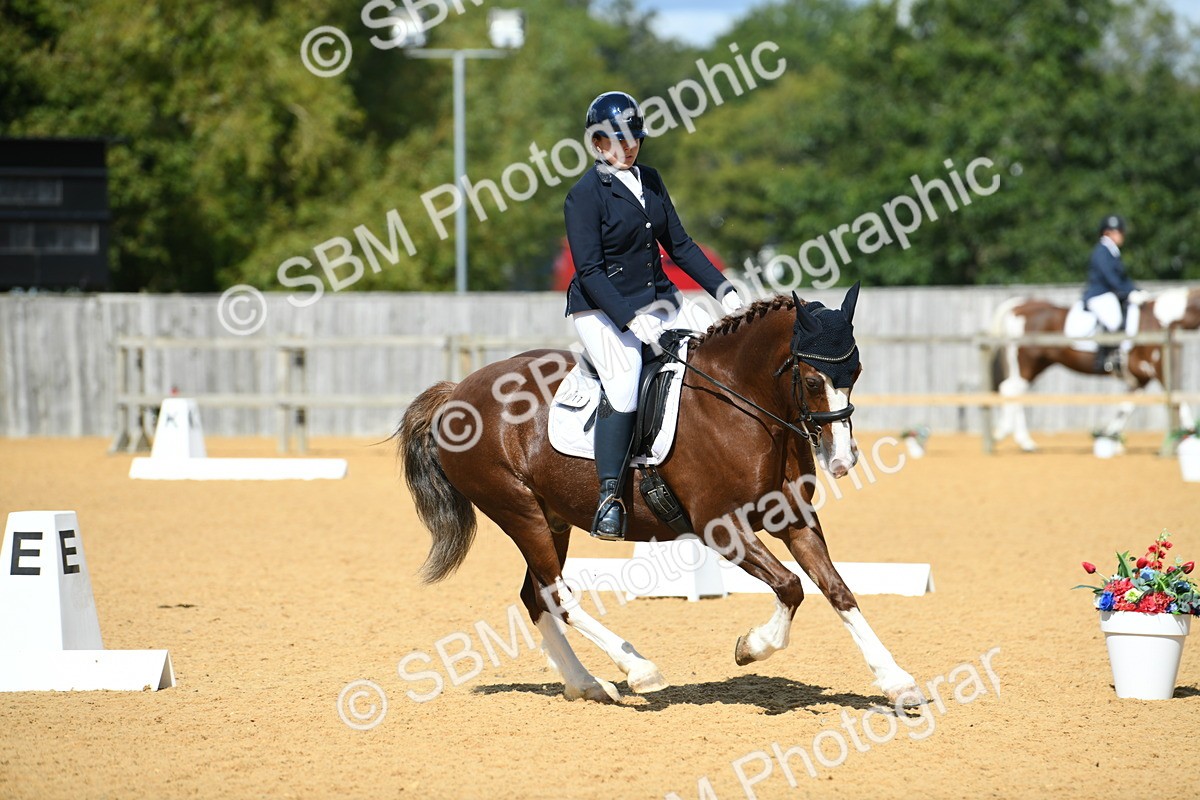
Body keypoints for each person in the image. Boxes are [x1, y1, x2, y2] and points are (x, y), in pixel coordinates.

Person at [564, 90, 745, 541]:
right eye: (618, 142)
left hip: (660, 300)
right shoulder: (584, 196)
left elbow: (679, 245)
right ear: (597, 144)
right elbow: (588, 272)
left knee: (716, 357)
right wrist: (630, 319)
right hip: (601, 309)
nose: (628, 149)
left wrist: (724, 290)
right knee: (624, 383)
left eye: (634, 140)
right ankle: (610, 498)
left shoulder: (652, 180)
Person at [1082, 214, 1147, 373]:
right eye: (1118, 231)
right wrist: (1128, 292)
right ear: (1107, 233)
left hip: (1110, 293)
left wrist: (1135, 290)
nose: (1121, 235)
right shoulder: (1102, 251)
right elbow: (1110, 278)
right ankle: (1104, 356)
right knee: (1114, 319)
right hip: (1099, 294)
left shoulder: (1112, 252)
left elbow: (1122, 278)